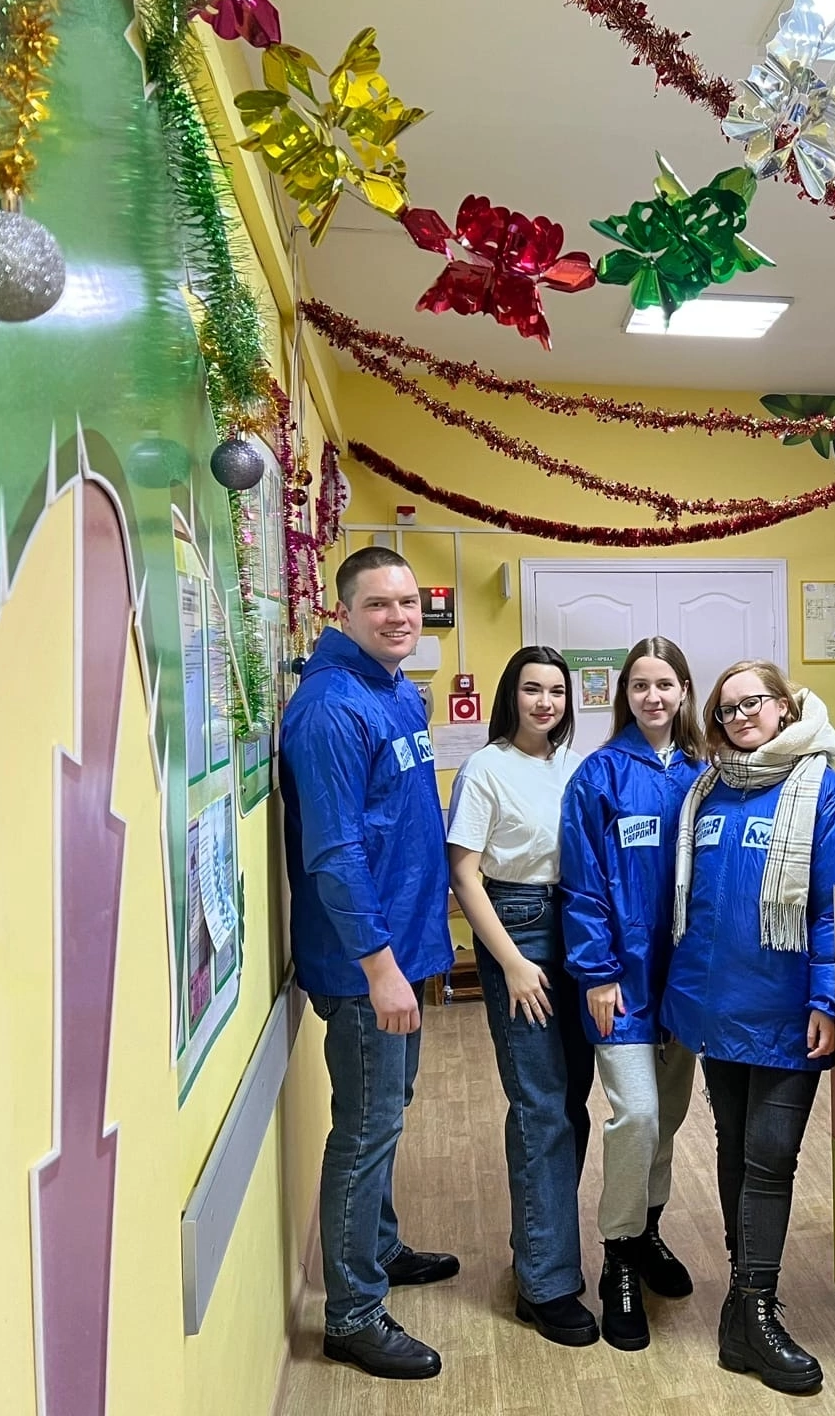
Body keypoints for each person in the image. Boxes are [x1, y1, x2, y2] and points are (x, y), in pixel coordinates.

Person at [279, 546, 459, 1382]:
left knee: (388, 1112)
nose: (398, 616)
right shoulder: (329, 708)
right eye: (379, 604)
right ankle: (351, 1314)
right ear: (343, 612)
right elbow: (336, 853)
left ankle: (379, 1248)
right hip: (364, 967)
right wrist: (380, 967)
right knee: (364, 1129)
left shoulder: (396, 692)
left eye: (408, 602)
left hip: (402, 949)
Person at [660, 661, 835, 1396]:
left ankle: (752, 1309)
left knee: (772, 1157)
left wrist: (827, 1000)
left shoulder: (823, 792)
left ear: (785, 707)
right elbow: (692, 904)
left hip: (785, 1010)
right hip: (718, 1006)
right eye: (727, 708)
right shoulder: (708, 789)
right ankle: (745, 1306)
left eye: (754, 702)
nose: (741, 715)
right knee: (736, 1149)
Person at [559, 638, 706, 1351]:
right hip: (620, 980)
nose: (653, 696)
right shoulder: (599, 776)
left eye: (665, 684)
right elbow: (582, 882)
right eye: (640, 685)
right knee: (637, 1114)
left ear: (684, 692)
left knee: (667, 1117)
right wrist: (597, 972)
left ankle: (648, 1230)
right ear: (625, 694)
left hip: (685, 984)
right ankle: (618, 1254)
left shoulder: (707, 776)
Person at [447, 647, 595, 1346]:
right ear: (512, 695)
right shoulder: (486, 768)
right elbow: (464, 875)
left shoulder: (573, 764)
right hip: (519, 929)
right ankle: (546, 1284)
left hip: (576, 926)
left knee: (572, 1104)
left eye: (556, 692)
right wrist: (510, 964)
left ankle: (539, 1248)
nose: (545, 703)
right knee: (541, 1107)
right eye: (533, 690)